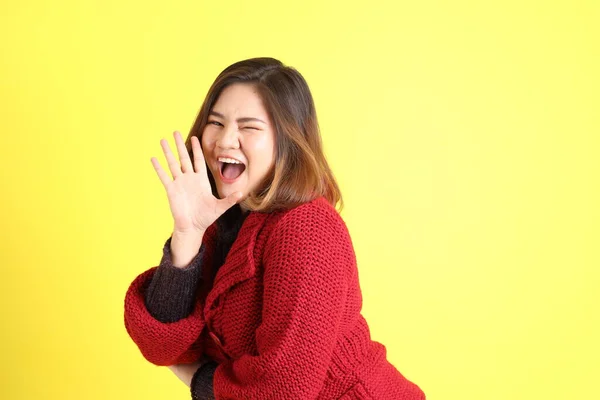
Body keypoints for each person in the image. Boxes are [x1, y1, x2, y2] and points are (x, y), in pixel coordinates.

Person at [123, 57, 425, 399]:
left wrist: (200, 380)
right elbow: (161, 344)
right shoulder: (222, 222)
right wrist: (187, 234)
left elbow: (284, 391)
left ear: (286, 141)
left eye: (248, 127)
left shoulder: (308, 227)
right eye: (216, 123)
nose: (225, 140)